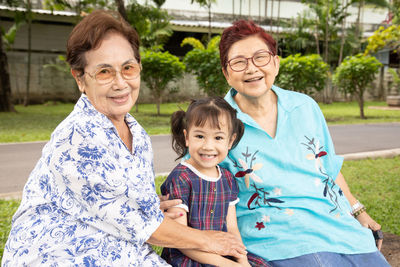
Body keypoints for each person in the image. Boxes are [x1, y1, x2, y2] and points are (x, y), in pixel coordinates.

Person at [1, 11, 247, 266]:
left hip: (118, 246)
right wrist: (209, 240)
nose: (121, 83)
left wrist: (154, 205)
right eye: (105, 72)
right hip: (60, 254)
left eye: (128, 68)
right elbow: (141, 226)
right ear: (80, 78)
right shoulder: (76, 138)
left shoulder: (136, 133)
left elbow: (132, 205)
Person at [217, 20, 391, 266]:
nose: (251, 68)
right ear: (226, 73)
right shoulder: (217, 121)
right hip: (276, 236)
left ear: (275, 63)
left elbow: (327, 165)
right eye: (239, 62)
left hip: (338, 226)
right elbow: (200, 177)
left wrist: (358, 211)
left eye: (260, 57)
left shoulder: (305, 106)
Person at [160, 97, 268, 267]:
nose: (208, 146)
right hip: (190, 256)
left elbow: (232, 229)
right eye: (200, 136)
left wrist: (242, 260)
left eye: (218, 138)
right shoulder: (181, 178)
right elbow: (180, 238)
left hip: (222, 253)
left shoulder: (227, 178)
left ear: (230, 141)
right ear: (187, 137)